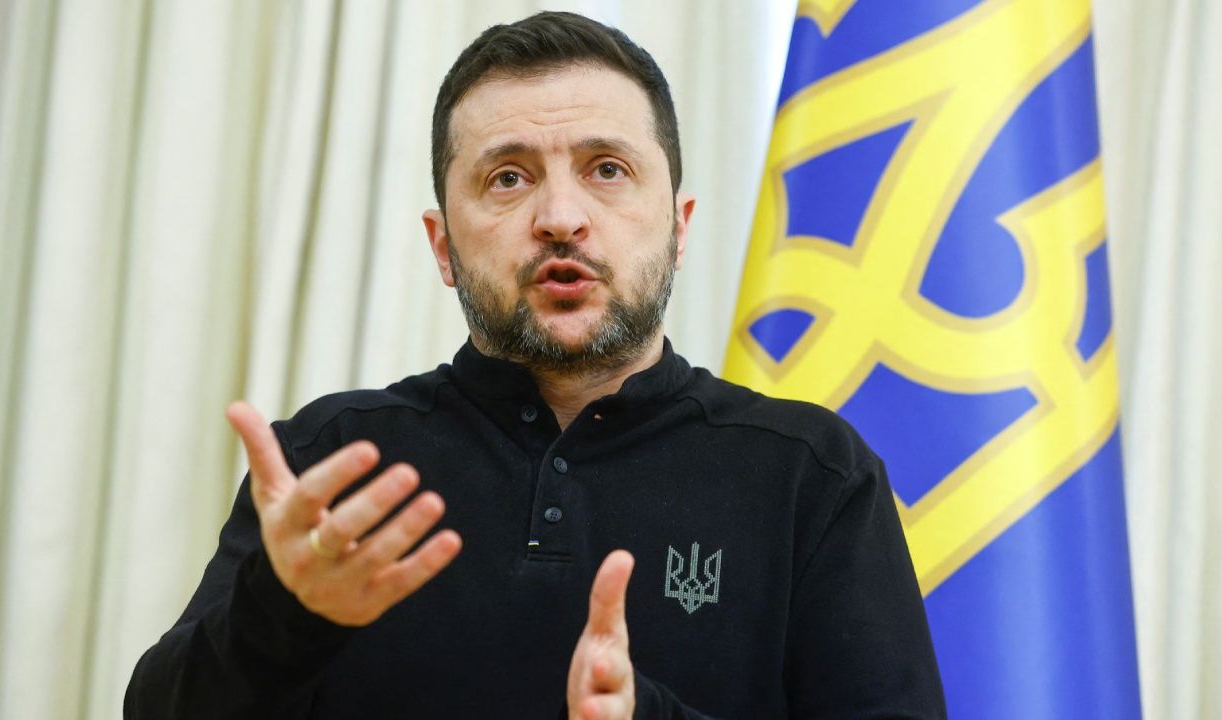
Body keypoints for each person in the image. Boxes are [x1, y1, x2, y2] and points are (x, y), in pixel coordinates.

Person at [125, 11, 945, 719]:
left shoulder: (812, 475)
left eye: (607, 170)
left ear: (679, 227)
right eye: (508, 177)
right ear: (443, 245)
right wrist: (284, 616)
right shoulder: (334, 460)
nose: (560, 217)